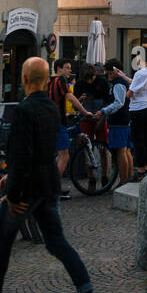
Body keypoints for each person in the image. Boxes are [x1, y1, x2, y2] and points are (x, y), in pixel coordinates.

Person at [0, 57, 102, 293]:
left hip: (26, 190)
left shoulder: (24, 110)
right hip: (48, 184)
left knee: (1, 243)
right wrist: (12, 175)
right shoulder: (51, 107)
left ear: (24, 79)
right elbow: (39, 150)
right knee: (57, 242)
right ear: (47, 79)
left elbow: (23, 155)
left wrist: (12, 192)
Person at [48, 58, 92, 200]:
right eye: (67, 67)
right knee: (64, 155)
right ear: (59, 69)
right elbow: (70, 97)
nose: (69, 70)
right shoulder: (60, 81)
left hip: (50, 121)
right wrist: (85, 112)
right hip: (57, 123)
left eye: (69, 68)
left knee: (54, 156)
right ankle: (54, 189)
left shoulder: (50, 81)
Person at [76, 65, 111, 190]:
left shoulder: (102, 82)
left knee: (103, 148)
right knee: (87, 149)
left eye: (92, 79)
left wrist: (103, 117)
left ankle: (105, 176)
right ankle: (91, 178)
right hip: (85, 119)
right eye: (88, 80)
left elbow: (108, 102)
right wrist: (79, 99)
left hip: (101, 117)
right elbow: (75, 106)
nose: (90, 82)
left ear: (95, 74)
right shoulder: (80, 84)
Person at [102, 59, 134, 184]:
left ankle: (123, 182)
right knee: (126, 150)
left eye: (111, 72)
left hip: (119, 119)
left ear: (117, 71)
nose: (108, 74)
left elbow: (119, 102)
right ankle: (129, 178)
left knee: (121, 151)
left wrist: (105, 111)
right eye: (107, 72)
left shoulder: (119, 83)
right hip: (125, 119)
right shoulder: (122, 82)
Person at [126, 50, 147, 175]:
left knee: (138, 141)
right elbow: (137, 83)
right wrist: (123, 76)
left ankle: (140, 170)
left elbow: (129, 94)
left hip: (137, 109)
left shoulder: (139, 73)